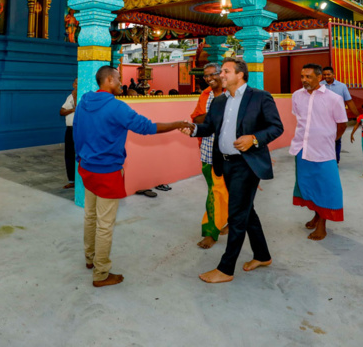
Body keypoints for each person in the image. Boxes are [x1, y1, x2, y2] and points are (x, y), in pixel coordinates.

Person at [74, 66, 191, 287]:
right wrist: (178, 124)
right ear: (109, 80)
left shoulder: (84, 102)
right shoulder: (116, 106)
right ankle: (101, 273)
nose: (122, 83)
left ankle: (90, 258)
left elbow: (76, 133)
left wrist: (81, 158)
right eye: (118, 79)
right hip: (107, 171)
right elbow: (147, 127)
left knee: (90, 216)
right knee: (105, 224)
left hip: (87, 167)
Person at [185, 58, 284, 282]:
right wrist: (193, 130)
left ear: (240, 74)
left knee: (237, 215)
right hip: (225, 163)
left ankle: (226, 269)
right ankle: (262, 255)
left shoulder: (260, 97)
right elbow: (209, 127)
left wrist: (254, 138)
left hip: (246, 163)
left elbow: (276, 127)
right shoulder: (219, 101)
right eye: (221, 71)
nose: (220, 75)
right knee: (247, 210)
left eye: (226, 71)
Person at [290, 64, 348, 242]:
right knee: (309, 185)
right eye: (302, 76)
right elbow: (300, 120)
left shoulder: (334, 98)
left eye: (308, 76)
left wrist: (328, 140)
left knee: (326, 187)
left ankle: (322, 224)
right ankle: (316, 215)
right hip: (302, 148)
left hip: (324, 151)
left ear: (319, 77)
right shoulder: (297, 95)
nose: (304, 80)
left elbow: (342, 124)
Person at [189, 63, 229, 250]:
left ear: (222, 74)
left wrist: (209, 117)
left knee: (229, 191)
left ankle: (229, 220)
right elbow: (196, 119)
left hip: (231, 152)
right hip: (208, 151)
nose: (209, 78)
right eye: (205, 76)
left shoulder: (232, 93)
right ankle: (210, 232)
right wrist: (215, 115)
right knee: (215, 192)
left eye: (213, 74)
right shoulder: (205, 94)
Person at [320, 66, 358, 163]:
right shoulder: (319, 86)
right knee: (323, 139)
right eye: (324, 75)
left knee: (337, 139)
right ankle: (325, 160)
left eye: (328, 74)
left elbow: (349, 101)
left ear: (333, 74)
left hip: (338, 118)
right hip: (323, 118)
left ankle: (335, 161)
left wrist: (358, 116)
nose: (326, 76)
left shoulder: (342, 86)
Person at [59, 79, 78, 190]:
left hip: (79, 129)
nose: (77, 85)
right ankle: (71, 181)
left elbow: (79, 109)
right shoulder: (69, 97)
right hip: (70, 129)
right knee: (69, 155)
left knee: (80, 155)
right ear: (73, 84)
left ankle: (80, 181)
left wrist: (75, 97)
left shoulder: (84, 96)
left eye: (79, 83)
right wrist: (72, 109)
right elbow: (61, 111)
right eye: (76, 83)